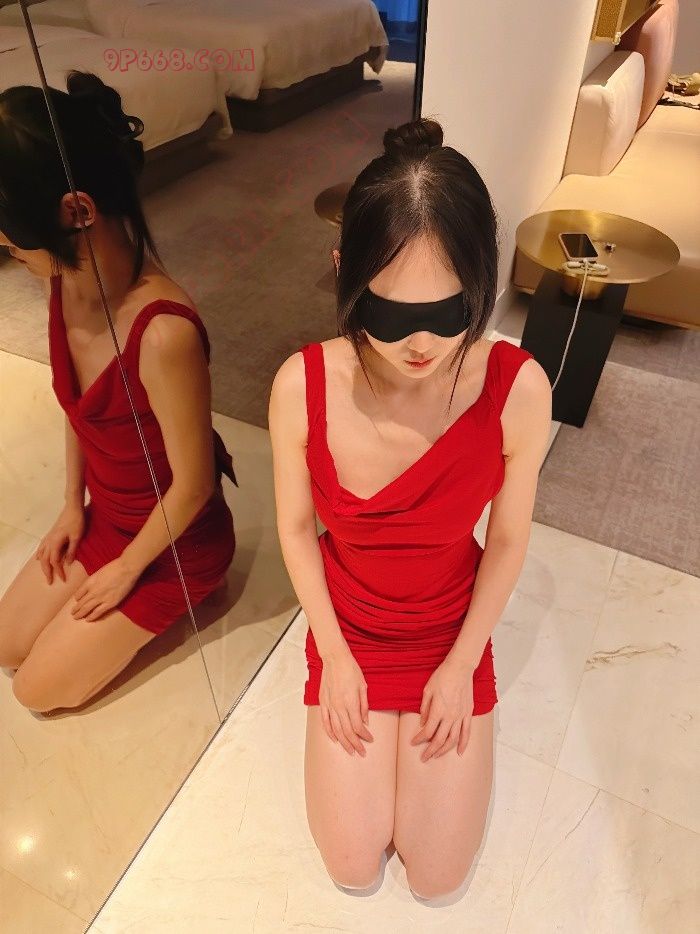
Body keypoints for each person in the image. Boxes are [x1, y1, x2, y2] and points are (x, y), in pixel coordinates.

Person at [269, 117, 552, 901]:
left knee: (436, 876)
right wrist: (335, 657)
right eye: (391, 315)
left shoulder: (518, 390)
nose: (420, 344)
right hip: (350, 625)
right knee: (352, 865)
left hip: (449, 627)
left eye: (450, 311)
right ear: (345, 274)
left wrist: (461, 664)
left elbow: (507, 540)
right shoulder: (301, 386)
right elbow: (294, 529)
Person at [0, 73, 237, 713]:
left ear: (77, 211)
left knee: (35, 691)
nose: (8, 248)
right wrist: (71, 507)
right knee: (7, 644)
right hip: (109, 515)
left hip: (174, 539)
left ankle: (196, 588)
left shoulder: (163, 332)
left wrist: (128, 570)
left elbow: (194, 486)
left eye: (14, 238)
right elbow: (79, 411)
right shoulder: (61, 282)